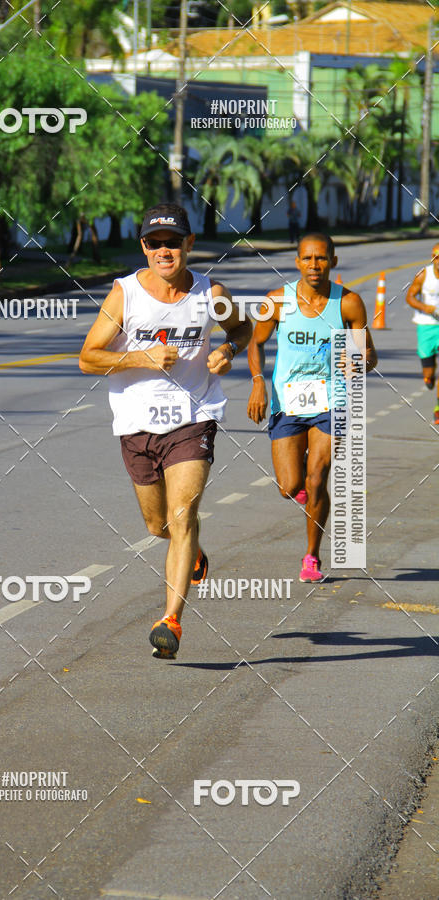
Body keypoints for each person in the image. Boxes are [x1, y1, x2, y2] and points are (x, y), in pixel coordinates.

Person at [79, 202, 252, 658]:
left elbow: (242, 328)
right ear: (143, 247)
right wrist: (141, 356)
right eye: (154, 243)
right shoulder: (126, 295)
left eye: (172, 242)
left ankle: (170, 620)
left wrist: (229, 351)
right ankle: (191, 550)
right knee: (159, 525)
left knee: (182, 515)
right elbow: (88, 358)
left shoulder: (210, 293)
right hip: (137, 423)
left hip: (193, 417)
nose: (164, 251)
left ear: (189, 243)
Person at [246, 233, 377, 582]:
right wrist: (258, 382)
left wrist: (359, 361)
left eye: (321, 258)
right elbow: (255, 343)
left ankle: (312, 557)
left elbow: (368, 355)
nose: (314, 265)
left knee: (318, 478)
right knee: (289, 487)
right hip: (287, 401)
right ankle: (301, 483)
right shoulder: (277, 301)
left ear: (333, 261)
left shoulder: (348, 303)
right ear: (297, 262)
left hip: (331, 399)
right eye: (307, 258)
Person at [405, 244, 439, 425]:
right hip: (427, 327)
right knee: (429, 373)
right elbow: (410, 297)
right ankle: (429, 378)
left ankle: (438, 408)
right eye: (437, 257)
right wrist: (425, 307)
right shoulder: (424, 274)